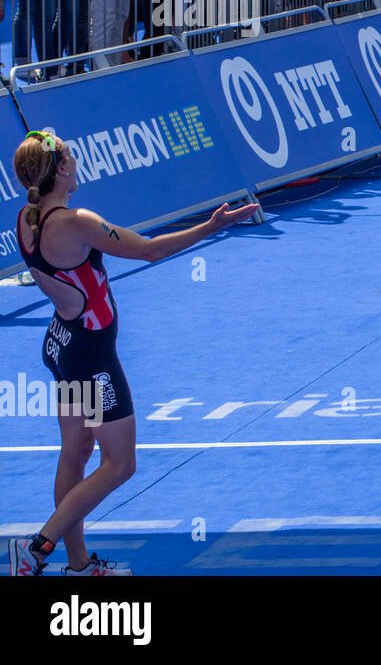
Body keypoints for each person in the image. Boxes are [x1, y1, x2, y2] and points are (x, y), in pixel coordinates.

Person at [7, 131, 258, 576]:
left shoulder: (26, 218)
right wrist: (213, 225)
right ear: (61, 169)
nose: (76, 159)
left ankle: (79, 565)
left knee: (76, 452)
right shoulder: (76, 221)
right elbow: (149, 250)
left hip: (62, 344)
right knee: (120, 464)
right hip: (90, 358)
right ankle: (34, 549)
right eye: (70, 154)